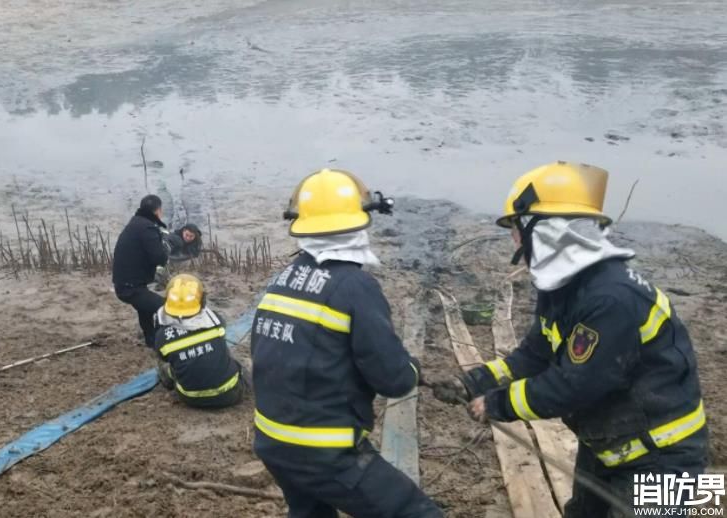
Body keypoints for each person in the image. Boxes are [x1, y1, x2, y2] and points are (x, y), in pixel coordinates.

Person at [430, 161, 709, 517]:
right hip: (610, 443)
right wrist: (473, 382)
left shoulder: (611, 299)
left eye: (517, 230)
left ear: (546, 232)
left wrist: (498, 404)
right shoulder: (565, 287)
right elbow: (535, 353)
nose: (514, 241)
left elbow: (573, 385)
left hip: (665, 457)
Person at [251, 169, 444, 518]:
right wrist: (412, 368)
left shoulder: (280, 280)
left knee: (310, 511)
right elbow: (394, 380)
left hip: (272, 441)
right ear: (358, 224)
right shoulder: (355, 288)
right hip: (323, 451)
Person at [151, 274, 246, 408]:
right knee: (229, 357)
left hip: (190, 398)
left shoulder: (163, 336)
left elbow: (164, 357)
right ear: (202, 302)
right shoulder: (215, 321)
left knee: (167, 366)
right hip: (230, 394)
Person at [112, 194, 169, 347]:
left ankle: (151, 340)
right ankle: (167, 339)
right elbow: (159, 258)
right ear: (158, 211)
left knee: (145, 308)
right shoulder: (147, 228)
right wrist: (167, 249)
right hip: (130, 288)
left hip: (127, 283)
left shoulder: (136, 223)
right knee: (167, 308)